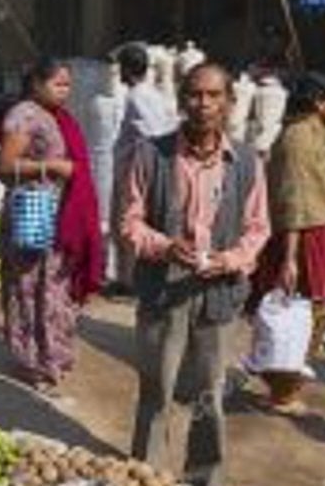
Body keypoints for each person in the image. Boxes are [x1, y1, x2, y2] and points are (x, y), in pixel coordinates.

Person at [118, 63, 271, 486]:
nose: (203, 104)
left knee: (210, 397)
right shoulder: (151, 153)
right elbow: (130, 223)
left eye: (214, 95)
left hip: (219, 293)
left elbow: (258, 230)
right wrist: (166, 246)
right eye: (194, 94)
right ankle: (144, 473)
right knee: (155, 392)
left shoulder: (246, 162)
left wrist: (231, 260)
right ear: (182, 100)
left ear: (229, 102)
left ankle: (204, 476)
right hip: (163, 292)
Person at [0, 60, 104, 395]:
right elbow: (4, 166)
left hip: (62, 215)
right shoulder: (23, 115)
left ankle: (53, 354)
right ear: (37, 85)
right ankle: (32, 361)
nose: (65, 91)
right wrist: (52, 166)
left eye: (67, 85)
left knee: (55, 289)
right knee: (30, 288)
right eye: (58, 84)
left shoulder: (59, 118)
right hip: (34, 213)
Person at [248, 72, 325, 416]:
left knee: (318, 310)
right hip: (302, 238)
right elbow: (293, 201)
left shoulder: (317, 134)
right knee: (299, 312)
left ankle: (287, 382)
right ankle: (282, 389)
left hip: (320, 231)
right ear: (319, 103)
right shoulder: (297, 138)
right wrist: (290, 259)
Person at [111, 44, 178, 292]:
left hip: (133, 172)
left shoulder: (138, 96)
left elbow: (153, 133)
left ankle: (128, 282)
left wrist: (142, 164)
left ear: (127, 69)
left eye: (120, 68)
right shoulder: (153, 94)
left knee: (126, 225)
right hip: (138, 170)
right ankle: (128, 279)